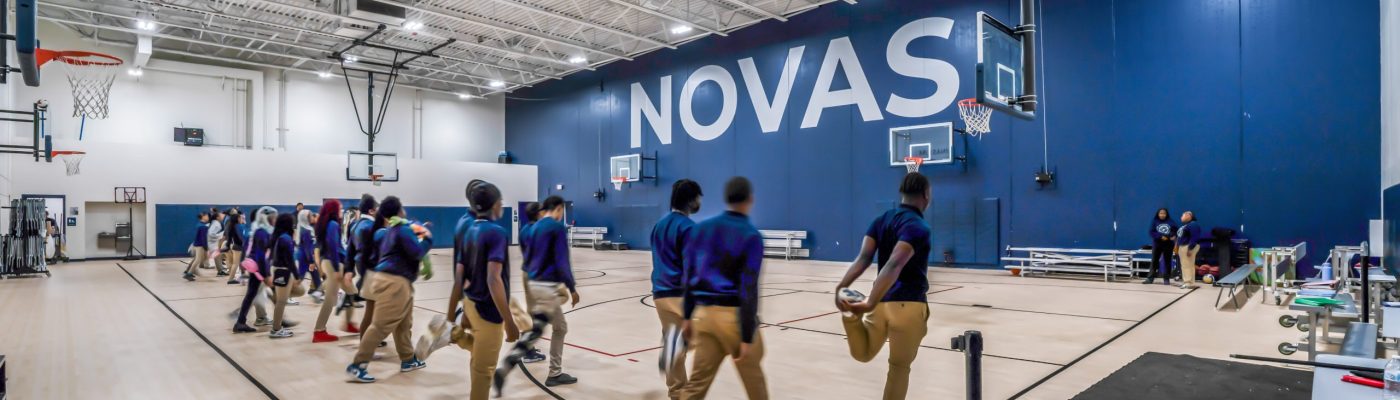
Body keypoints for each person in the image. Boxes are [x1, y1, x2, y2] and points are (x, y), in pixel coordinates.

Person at [832, 173, 932, 400]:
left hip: (882, 303)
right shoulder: (919, 226)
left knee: (863, 353)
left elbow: (863, 258)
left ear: (902, 194)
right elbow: (895, 263)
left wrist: (842, 287)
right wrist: (868, 304)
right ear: (926, 195)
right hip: (909, 305)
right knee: (899, 368)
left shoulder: (881, 220)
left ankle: (850, 318)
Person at [679, 177, 768, 400]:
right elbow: (748, 289)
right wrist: (747, 337)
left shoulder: (700, 230)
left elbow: (689, 276)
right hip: (734, 320)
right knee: (755, 384)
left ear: (726, 199)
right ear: (750, 199)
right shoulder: (750, 235)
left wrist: (687, 316)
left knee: (697, 384)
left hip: (704, 316)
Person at [345, 196, 432, 382]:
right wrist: (427, 239)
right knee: (380, 326)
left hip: (397, 281)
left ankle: (407, 359)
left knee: (403, 323)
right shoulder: (399, 230)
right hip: (394, 282)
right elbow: (417, 252)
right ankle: (358, 365)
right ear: (399, 210)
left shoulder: (391, 229)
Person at [450, 181, 520, 400]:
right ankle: (452, 335)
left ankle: (452, 333)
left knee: (478, 359)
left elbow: (459, 277)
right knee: (484, 371)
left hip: (470, 304)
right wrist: (509, 321)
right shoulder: (496, 232)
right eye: (501, 201)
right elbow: (493, 279)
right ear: (495, 205)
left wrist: (450, 314)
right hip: (488, 310)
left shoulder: (469, 229)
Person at [500, 195, 579, 388]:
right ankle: (554, 372)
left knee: (539, 322)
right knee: (560, 327)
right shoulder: (556, 227)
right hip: (546, 284)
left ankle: (518, 355)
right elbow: (562, 262)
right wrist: (572, 288)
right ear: (559, 209)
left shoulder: (532, 229)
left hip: (533, 280)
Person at [651, 179, 702, 400]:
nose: (700, 201)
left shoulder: (659, 226)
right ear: (691, 200)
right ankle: (675, 345)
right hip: (680, 294)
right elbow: (693, 268)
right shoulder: (689, 228)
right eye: (698, 198)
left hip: (659, 293)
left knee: (676, 346)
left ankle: (677, 394)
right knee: (711, 337)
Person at [233, 207, 280, 333]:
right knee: (268, 292)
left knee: (252, 294)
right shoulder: (261, 233)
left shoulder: (257, 231)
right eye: (273, 217)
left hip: (257, 268)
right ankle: (279, 321)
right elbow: (261, 255)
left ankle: (240, 321)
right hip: (259, 269)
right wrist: (267, 274)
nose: (275, 220)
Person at [313, 200, 353, 343]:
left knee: (352, 291)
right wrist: (337, 268)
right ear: (334, 210)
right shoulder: (333, 225)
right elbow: (333, 247)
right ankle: (319, 331)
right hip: (332, 263)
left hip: (330, 262)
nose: (342, 210)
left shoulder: (327, 224)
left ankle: (349, 323)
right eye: (340, 208)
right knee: (330, 299)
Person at [514, 202, 548, 365]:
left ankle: (528, 346)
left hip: (526, 271)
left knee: (531, 310)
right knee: (534, 313)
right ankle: (527, 350)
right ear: (538, 213)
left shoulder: (524, 230)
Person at [343, 195, 379, 334]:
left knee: (373, 308)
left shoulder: (354, 224)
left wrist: (349, 269)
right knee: (373, 309)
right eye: (376, 208)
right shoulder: (371, 227)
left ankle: (372, 339)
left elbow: (350, 249)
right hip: (372, 270)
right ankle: (368, 342)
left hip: (361, 267)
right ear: (371, 211)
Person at [269, 213, 299, 338]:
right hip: (283, 271)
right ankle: (276, 329)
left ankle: (271, 294)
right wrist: (296, 276)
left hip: (279, 270)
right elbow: (289, 260)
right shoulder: (285, 238)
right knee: (281, 302)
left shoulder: (281, 237)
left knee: (296, 292)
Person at [1143, 208, 1177, 285]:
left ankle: (1166, 279)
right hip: (1157, 244)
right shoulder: (1154, 221)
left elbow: (1175, 231)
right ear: (1158, 214)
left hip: (1168, 244)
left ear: (1166, 214)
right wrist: (1160, 236)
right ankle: (1150, 278)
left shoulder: (1171, 222)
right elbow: (1151, 232)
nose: (1162, 215)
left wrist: (1168, 236)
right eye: (1161, 213)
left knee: (1167, 261)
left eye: (1164, 213)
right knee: (1154, 261)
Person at [296, 210, 324, 304]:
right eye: (311, 216)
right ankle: (284, 292)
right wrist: (311, 261)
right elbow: (307, 248)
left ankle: (318, 294)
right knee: (300, 277)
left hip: (305, 256)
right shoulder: (307, 231)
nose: (313, 217)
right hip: (305, 258)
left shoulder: (304, 228)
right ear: (306, 218)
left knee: (315, 274)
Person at [1176, 211, 1202, 289]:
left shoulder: (1193, 224)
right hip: (1183, 246)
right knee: (1189, 265)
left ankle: (1187, 283)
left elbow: (1195, 237)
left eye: (1182, 215)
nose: (1181, 217)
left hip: (1187, 246)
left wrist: (1190, 248)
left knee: (1186, 265)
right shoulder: (1187, 225)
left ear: (1188, 215)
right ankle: (1191, 282)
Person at [184, 212, 211, 281]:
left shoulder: (199, 224)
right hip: (200, 245)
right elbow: (203, 238)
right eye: (207, 216)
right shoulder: (203, 227)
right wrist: (206, 248)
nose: (208, 217)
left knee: (196, 258)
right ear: (203, 216)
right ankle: (189, 273)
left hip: (197, 244)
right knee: (198, 259)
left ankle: (188, 271)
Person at [225, 210, 246, 284]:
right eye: (240, 218)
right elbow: (242, 237)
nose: (242, 219)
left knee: (240, 263)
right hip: (238, 247)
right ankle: (230, 279)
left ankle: (243, 277)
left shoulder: (233, 226)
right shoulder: (239, 226)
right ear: (237, 219)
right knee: (236, 263)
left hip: (235, 246)